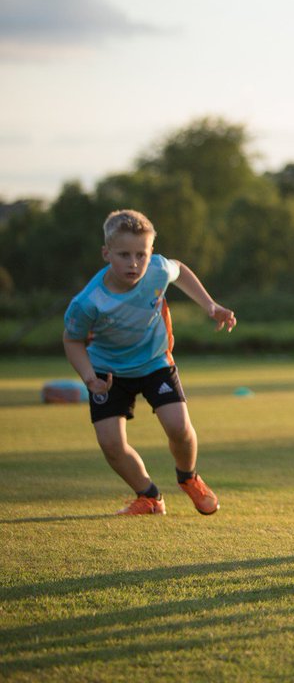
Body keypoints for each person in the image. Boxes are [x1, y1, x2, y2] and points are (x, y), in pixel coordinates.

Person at [63, 209, 236, 516]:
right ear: (106, 253)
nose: (133, 263)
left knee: (179, 427)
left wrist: (210, 305)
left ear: (151, 253)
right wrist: (89, 377)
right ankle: (149, 496)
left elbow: (180, 270)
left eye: (141, 254)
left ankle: (189, 477)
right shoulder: (88, 301)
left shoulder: (157, 269)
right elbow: (72, 340)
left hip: (155, 362)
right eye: (124, 254)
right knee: (111, 445)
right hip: (107, 371)